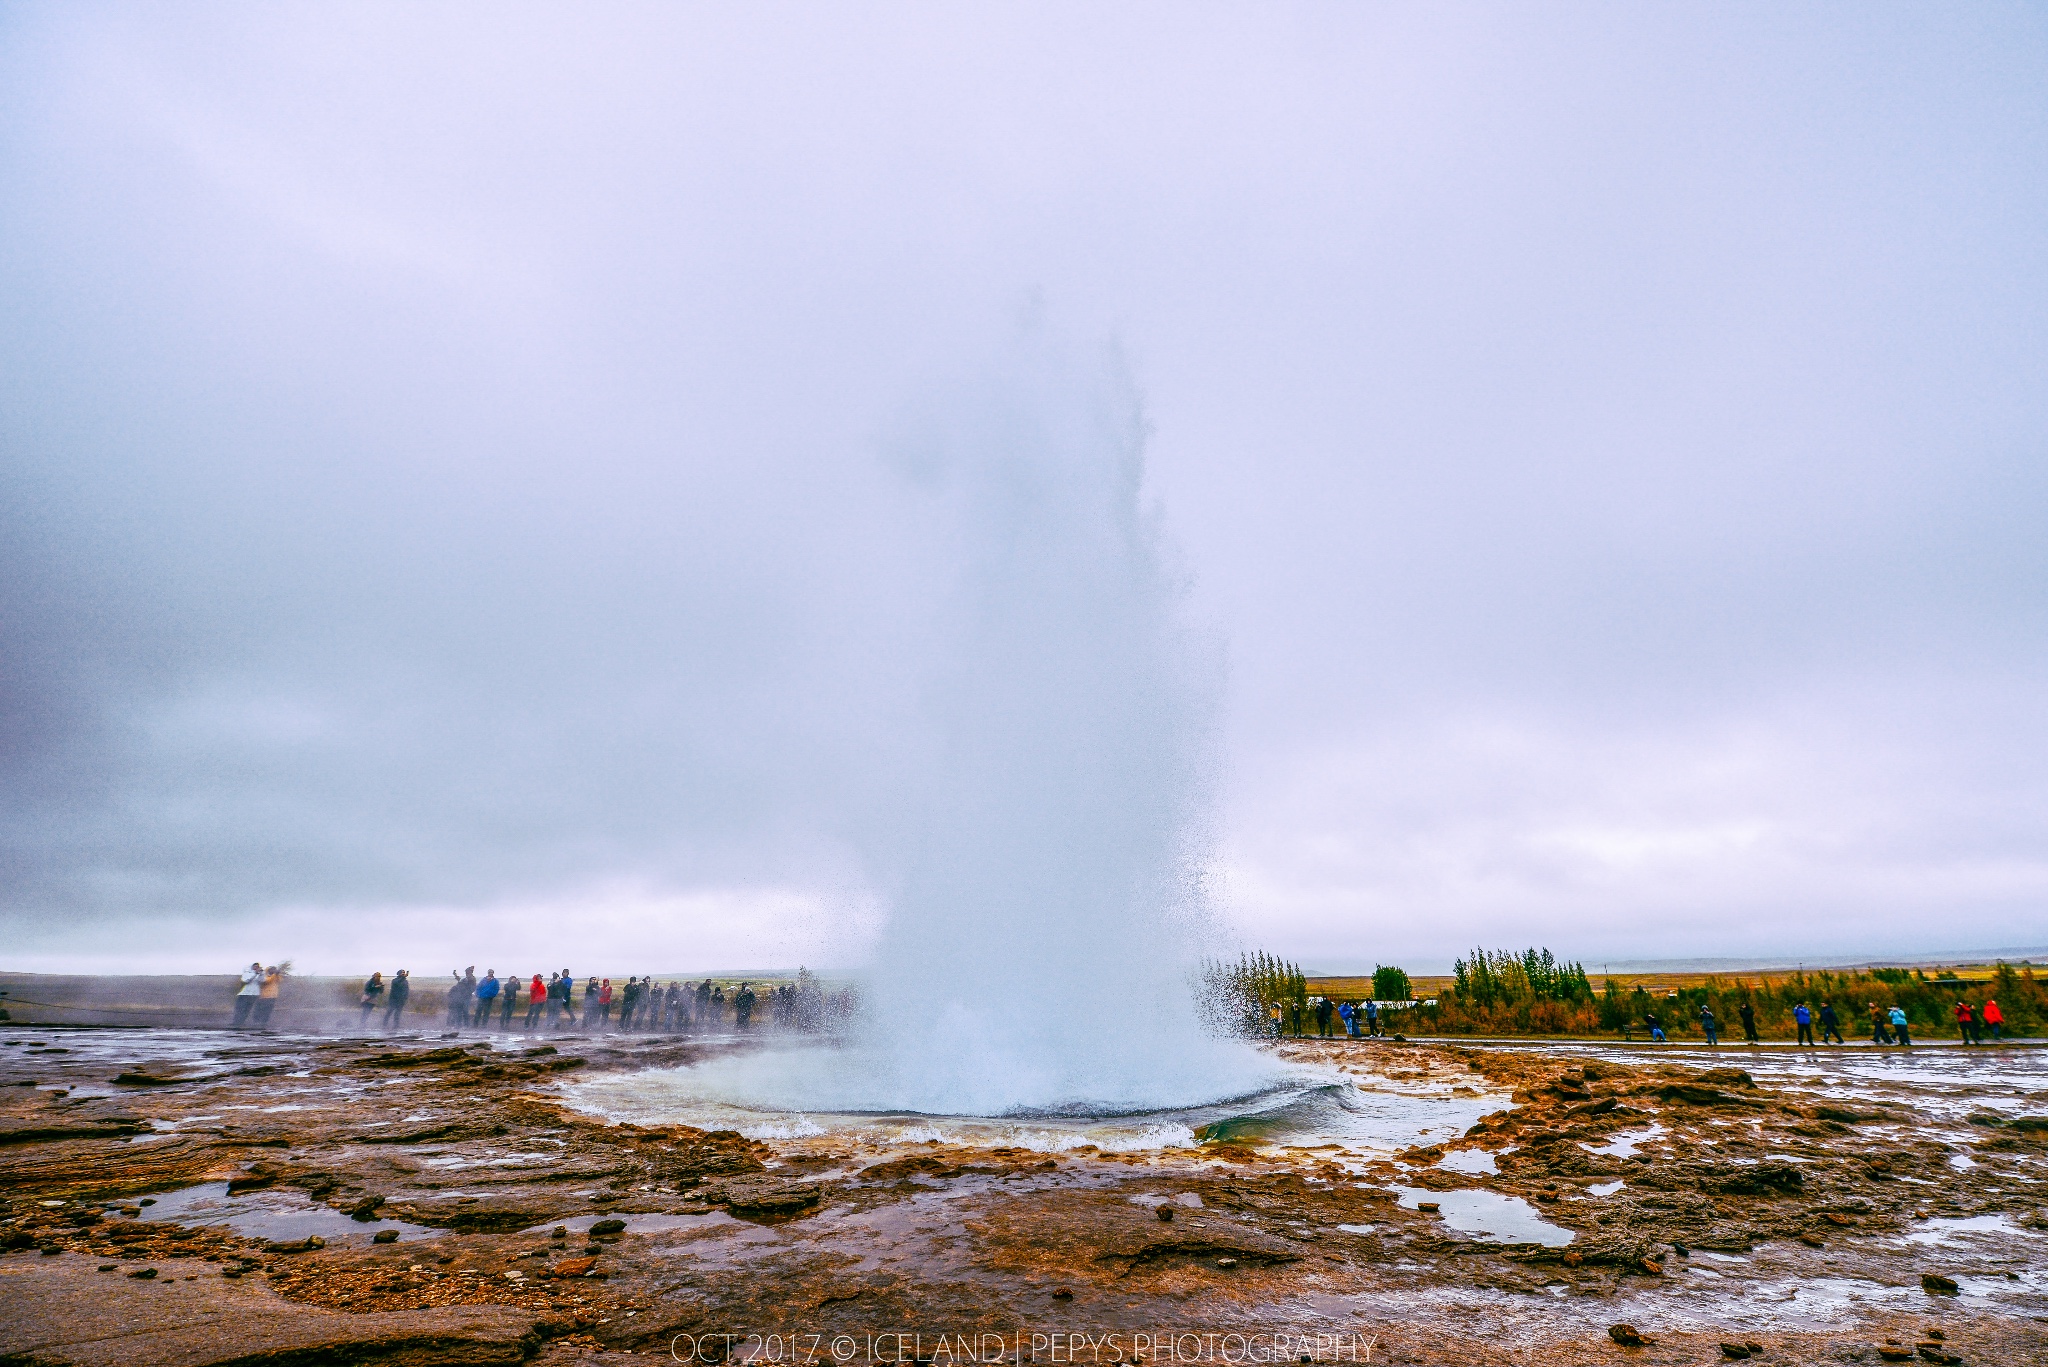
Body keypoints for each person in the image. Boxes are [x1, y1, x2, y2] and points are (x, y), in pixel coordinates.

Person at [233, 962, 263, 1027]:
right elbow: (246, 980)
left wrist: (261, 974)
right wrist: (255, 974)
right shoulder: (247, 973)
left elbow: (262, 981)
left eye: (257, 966)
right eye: (255, 966)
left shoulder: (259, 974)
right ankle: (235, 1022)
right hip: (245, 994)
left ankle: (241, 1022)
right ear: (252, 967)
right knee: (240, 1008)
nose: (256, 968)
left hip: (254, 994)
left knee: (247, 1009)